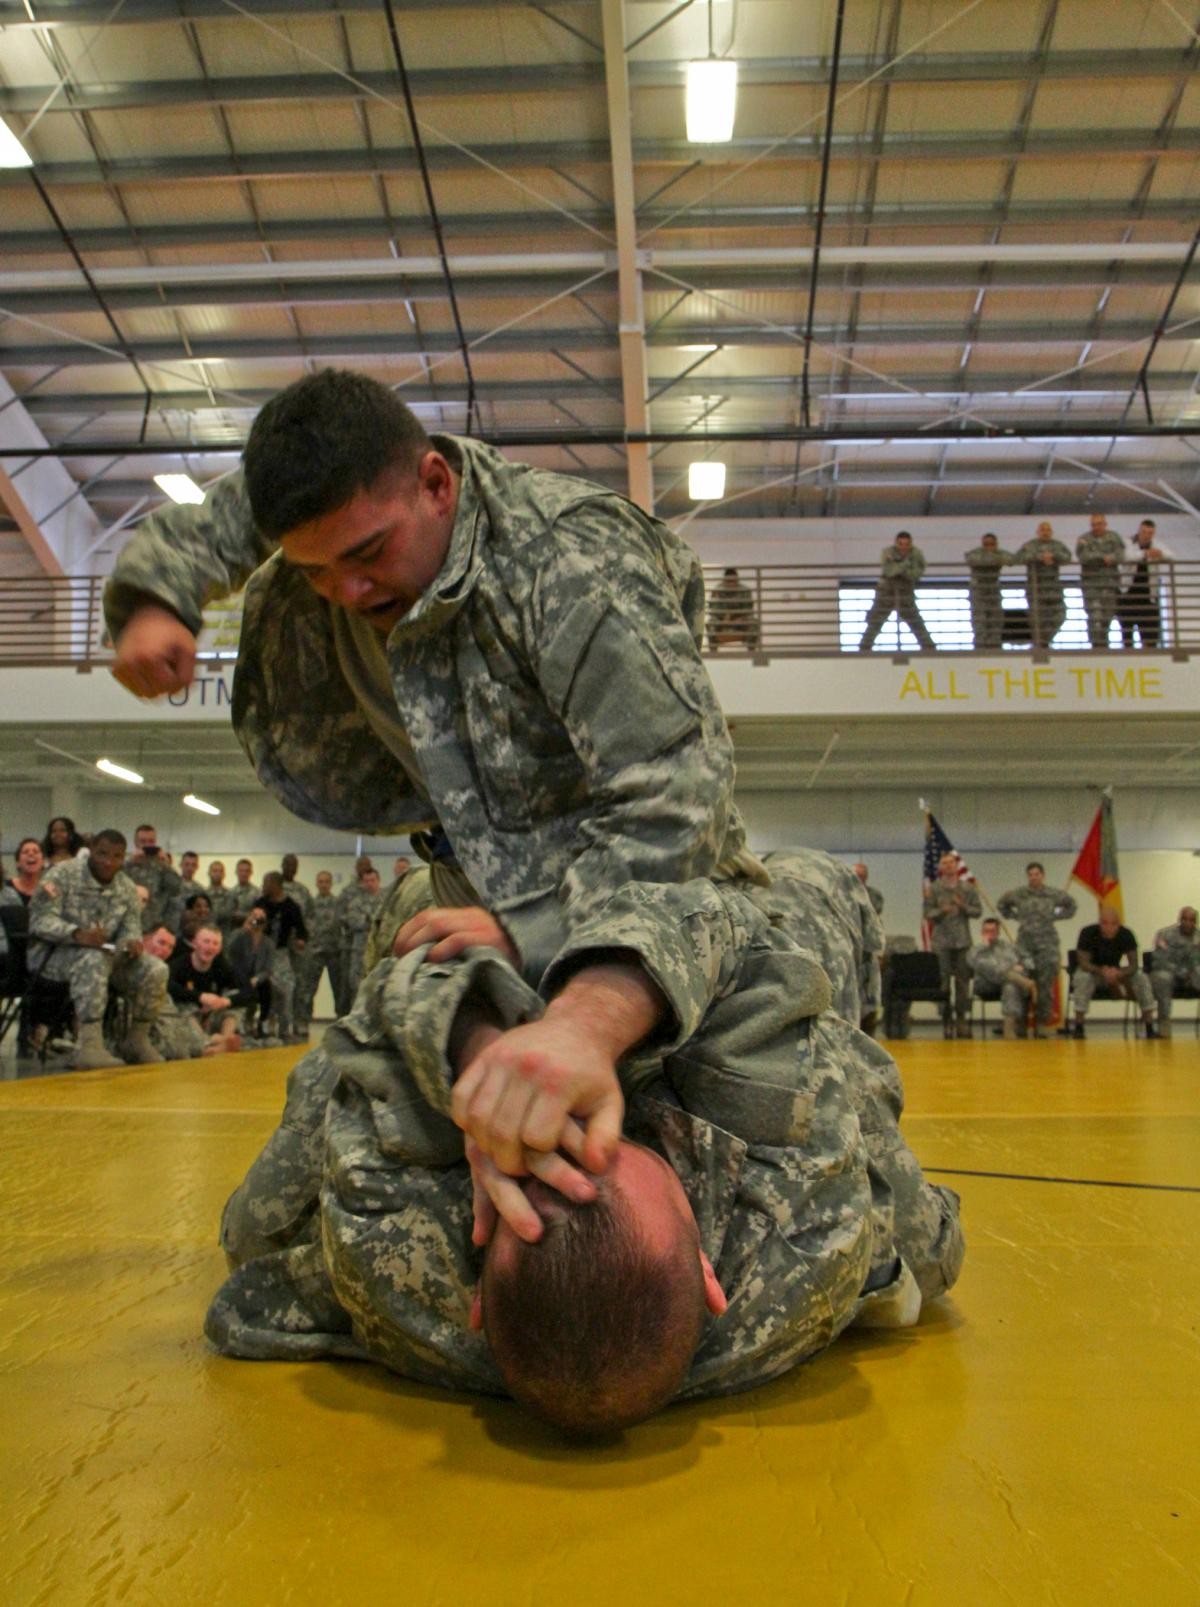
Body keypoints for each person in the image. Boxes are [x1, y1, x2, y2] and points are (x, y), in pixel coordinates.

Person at [205, 875, 963, 1437]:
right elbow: (744, 938)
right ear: (709, 1272)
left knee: (255, 1229)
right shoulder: (802, 1235)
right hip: (685, 986)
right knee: (924, 1253)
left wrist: (481, 1050)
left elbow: (381, 1008)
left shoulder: (395, 1245)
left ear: (472, 1306)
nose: (569, 1126)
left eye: (535, 1154)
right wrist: (595, 1015)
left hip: (489, 920)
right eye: (604, 1145)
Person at [27, 829, 168, 1069]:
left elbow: (131, 926)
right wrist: (77, 934)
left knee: (156, 969)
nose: (108, 862)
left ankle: (136, 1040)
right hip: (53, 956)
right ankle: (89, 1045)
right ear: (91, 848)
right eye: (102, 853)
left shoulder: (125, 887)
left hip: (106, 955)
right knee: (93, 958)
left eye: (116, 856)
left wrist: (132, 942)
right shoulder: (62, 875)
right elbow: (39, 921)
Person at [997, 863, 1076, 1038]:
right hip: (1024, 944)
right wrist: (1016, 916)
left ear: (1043, 875)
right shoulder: (1019, 894)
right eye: (1031, 874)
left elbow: (1072, 906)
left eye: (1037, 874)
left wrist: (1055, 916)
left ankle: (1041, 1024)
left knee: (1045, 986)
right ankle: (1022, 1023)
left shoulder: (1053, 894)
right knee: (1023, 984)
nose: (1034, 877)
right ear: (1028, 876)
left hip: (1047, 945)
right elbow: (1002, 905)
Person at [1070, 904, 1158, 1038]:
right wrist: (1102, 971)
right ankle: (1079, 1027)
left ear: (1119, 924)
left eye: (1114, 924)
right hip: (1094, 973)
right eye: (1105, 924)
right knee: (1082, 977)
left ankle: (1149, 1026)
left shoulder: (1126, 934)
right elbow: (1083, 963)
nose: (1109, 927)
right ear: (1100, 923)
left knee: (1141, 977)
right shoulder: (1088, 933)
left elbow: (1133, 965)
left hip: (1118, 972)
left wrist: (1120, 973)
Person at [923, 854, 983, 1039]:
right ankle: (946, 1019)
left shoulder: (967, 888)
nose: (949, 866)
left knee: (963, 982)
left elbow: (977, 911)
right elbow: (927, 913)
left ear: (957, 866)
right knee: (942, 982)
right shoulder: (934, 888)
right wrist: (943, 910)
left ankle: (961, 1019)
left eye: (951, 863)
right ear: (940, 867)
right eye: (945, 863)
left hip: (962, 942)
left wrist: (963, 906)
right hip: (941, 942)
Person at [168, 923, 254, 1035]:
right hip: (187, 1017)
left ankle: (225, 1038)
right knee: (186, 1009)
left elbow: (248, 990)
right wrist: (200, 997)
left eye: (215, 943)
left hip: (212, 1016)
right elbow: (169, 986)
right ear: (194, 944)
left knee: (235, 1002)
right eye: (206, 941)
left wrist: (224, 1001)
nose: (210, 947)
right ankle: (206, 1043)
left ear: (219, 949)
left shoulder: (222, 965)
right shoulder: (178, 965)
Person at [857, 532, 935, 652]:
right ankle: (864, 649)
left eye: (906, 544)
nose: (903, 547)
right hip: (886, 593)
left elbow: (916, 573)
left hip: (905, 593)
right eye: (901, 544)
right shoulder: (887, 552)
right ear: (896, 543)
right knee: (875, 622)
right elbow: (889, 571)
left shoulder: (916, 553)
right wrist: (905, 566)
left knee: (916, 622)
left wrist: (898, 568)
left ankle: (930, 649)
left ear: (910, 544)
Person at [253, 871, 307, 1041]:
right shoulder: (260, 904)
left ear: (276, 885)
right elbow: (250, 924)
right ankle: (261, 1026)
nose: (263, 886)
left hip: (280, 953)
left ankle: (285, 1029)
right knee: (261, 989)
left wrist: (300, 940)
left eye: (266, 883)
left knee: (286, 990)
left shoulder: (291, 906)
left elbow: (302, 930)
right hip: (261, 951)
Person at [967, 918, 1035, 1040]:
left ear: (998, 932)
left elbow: (1029, 962)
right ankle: (1024, 983)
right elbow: (972, 963)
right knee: (990, 966)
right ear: (982, 931)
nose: (989, 933)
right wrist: (1011, 969)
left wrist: (1023, 966)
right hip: (986, 985)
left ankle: (1009, 1030)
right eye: (986, 930)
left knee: (1010, 987)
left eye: (992, 931)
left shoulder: (1008, 946)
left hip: (1007, 984)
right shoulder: (976, 950)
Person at [1116, 518, 1174, 649]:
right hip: (1128, 594)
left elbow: (1172, 556)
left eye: (1150, 533)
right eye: (1144, 532)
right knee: (1127, 632)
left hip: (1148, 595)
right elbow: (1125, 556)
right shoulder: (1128, 542)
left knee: (1150, 633)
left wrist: (1160, 554)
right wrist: (1145, 554)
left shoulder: (1156, 544)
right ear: (1139, 531)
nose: (1147, 535)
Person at [296, 868, 340, 1034]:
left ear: (331, 884)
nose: (323, 885)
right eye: (320, 881)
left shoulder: (338, 903)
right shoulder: (310, 904)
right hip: (314, 952)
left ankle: (341, 1023)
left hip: (334, 951)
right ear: (316, 883)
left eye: (326, 881)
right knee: (308, 989)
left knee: (339, 990)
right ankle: (303, 1023)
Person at [1014, 522, 1071, 648]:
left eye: (1048, 530)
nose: (1045, 532)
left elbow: (1068, 557)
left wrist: (1054, 556)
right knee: (1037, 621)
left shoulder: (1057, 545)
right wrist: (1039, 557)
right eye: (1043, 530)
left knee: (1060, 616)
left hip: (1053, 589)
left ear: (1051, 532)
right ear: (1038, 532)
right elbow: (1018, 558)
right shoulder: (1030, 545)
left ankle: (1044, 642)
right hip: (1036, 589)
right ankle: (1040, 645)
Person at [1075, 513, 1124, 650]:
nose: (1096, 527)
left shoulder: (1114, 537)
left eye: (1099, 524)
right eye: (1093, 524)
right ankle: (1095, 645)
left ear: (1105, 524)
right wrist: (1103, 558)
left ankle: (1104, 645)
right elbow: (1084, 557)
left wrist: (1111, 558)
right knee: (1095, 615)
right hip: (1091, 585)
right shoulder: (1084, 539)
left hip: (1110, 584)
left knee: (1107, 617)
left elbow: (1120, 555)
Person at [1149, 906, 1199, 1040]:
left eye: (1192, 920)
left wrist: (1191, 972)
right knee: (1162, 978)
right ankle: (1164, 1027)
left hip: (1192, 974)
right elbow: (1160, 960)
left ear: (1196, 922)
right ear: (1179, 919)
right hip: (1168, 972)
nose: (1188, 923)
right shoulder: (1164, 934)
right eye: (1185, 919)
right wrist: (1181, 973)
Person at [226, 908, 276, 1037]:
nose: (257, 921)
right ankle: (240, 1021)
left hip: (257, 977)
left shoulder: (268, 943)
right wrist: (244, 929)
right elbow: (228, 949)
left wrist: (257, 979)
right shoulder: (239, 935)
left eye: (261, 919)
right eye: (254, 917)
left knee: (266, 987)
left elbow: (268, 969)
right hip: (238, 974)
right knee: (243, 986)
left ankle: (262, 1022)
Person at [125, 822, 183, 933]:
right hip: (129, 924)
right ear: (135, 843)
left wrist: (166, 865)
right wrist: (130, 862)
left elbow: (177, 888)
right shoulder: (128, 865)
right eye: (143, 841)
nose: (147, 845)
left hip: (155, 927)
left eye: (151, 841)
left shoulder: (162, 868)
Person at [339, 866, 383, 1010]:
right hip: (360, 951)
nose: (370, 883)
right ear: (362, 883)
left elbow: (389, 921)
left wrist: (369, 920)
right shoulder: (355, 902)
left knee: (379, 986)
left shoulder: (387, 900)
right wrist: (373, 920)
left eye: (373, 880)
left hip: (380, 950)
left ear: (378, 881)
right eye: (366, 881)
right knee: (356, 986)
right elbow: (353, 923)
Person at [964, 532, 1016, 651]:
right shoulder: (976, 553)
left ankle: (994, 647)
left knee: (996, 620)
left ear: (996, 544)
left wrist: (992, 558)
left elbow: (1012, 560)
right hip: (979, 590)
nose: (988, 547)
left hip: (993, 590)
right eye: (986, 544)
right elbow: (973, 559)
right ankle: (980, 648)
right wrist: (995, 559)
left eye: (991, 544)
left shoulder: (999, 553)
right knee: (980, 621)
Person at [706, 566, 758, 652]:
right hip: (722, 621)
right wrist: (724, 621)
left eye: (733, 581)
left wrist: (739, 619)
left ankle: (751, 651)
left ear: (737, 581)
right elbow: (714, 610)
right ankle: (713, 651)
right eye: (728, 581)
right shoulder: (717, 591)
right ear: (724, 581)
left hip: (740, 621)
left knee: (753, 622)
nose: (731, 584)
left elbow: (748, 610)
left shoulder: (745, 591)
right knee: (710, 623)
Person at [227, 858, 261, 930]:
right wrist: (249, 915)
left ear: (251, 872)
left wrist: (249, 919)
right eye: (241, 871)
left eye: (247, 871)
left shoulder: (257, 893)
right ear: (236, 872)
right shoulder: (231, 892)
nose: (244, 874)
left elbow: (258, 916)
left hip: (252, 930)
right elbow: (229, 915)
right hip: (235, 930)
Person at [206, 860, 238, 936]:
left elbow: (227, 914)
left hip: (225, 935)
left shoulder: (231, 894)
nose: (217, 874)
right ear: (209, 873)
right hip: (206, 933)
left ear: (224, 874)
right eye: (214, 871)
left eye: (220, 871)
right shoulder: (203, 894)